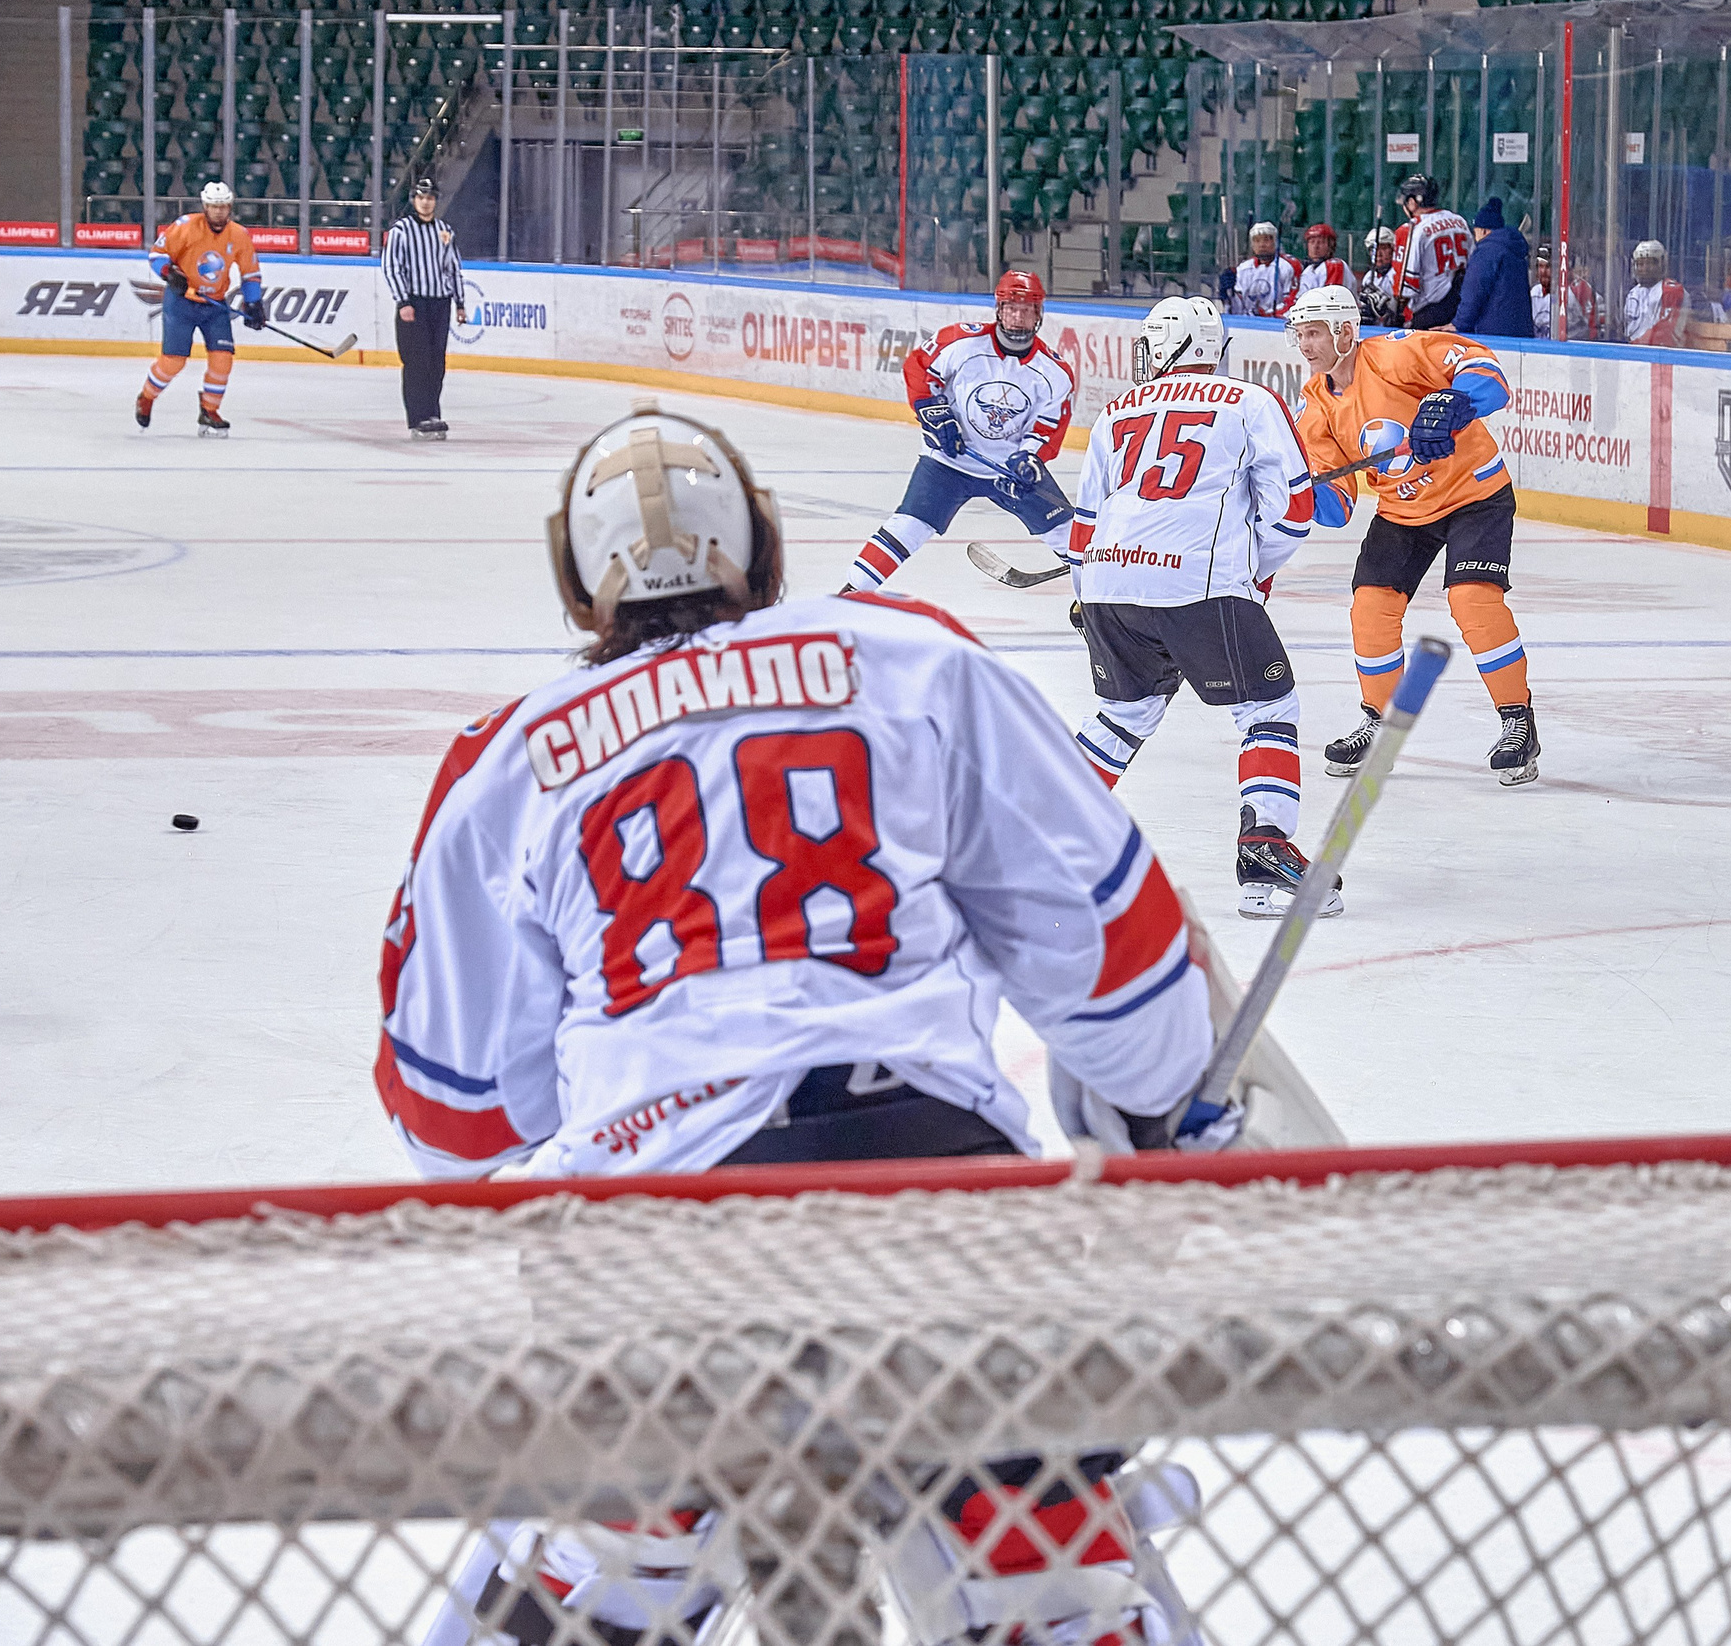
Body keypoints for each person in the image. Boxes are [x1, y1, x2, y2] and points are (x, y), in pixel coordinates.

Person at [384, 397, 1228, 1646]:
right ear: (769, 552)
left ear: (579, 592)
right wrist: (1151, 1109)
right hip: (948, 1235)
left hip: (660, 1271)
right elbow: (1133, 992)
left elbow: (453, 1124)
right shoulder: (914, 657)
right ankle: (1044, 1550)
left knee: (583, 1564)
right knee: (1060, 1576)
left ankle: (627, 1557)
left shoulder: (504, 760)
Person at [1066, 296, 1333, 919]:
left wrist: (1089, 592)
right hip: (1197, 584)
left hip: (1109, 585)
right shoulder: (1251, 402)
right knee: (1268, 707)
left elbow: (1085, 524)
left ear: (1172, 347)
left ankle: (1044, 836)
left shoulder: (1113, 413)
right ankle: (1264, 847)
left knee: (1122, 716)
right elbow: (1292, 514)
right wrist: (1250, 573)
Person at [1285, 285, 1540, 786]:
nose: (1306, 345)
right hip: (1403, 511)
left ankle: (1518, 722)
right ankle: (1378, 724)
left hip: (1474, 494)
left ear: (1344, 331)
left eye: (1314, 333)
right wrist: (1292, 490)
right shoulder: (1316, 404)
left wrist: (1453, 401)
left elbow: (1488, 374)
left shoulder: (1397, 354)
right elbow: (1336, 506)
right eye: (1300, 335)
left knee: (1473, 602)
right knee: (1370, 606)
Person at [843, 269, 1075, 592]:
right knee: (909, 525)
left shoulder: (1055, 373)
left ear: (1039, 314)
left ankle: (1096, 606)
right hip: (949, 462)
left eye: (1027, 310)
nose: (1018, 317)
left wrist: (1030, 459)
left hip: (1009, 471)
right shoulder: (963, 342)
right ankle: (852, 592)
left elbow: (1048, 428)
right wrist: (935, 413)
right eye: (1011, 308)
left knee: (1071, 536)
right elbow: (919, 369)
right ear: (999, 309)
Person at [135, 180, 263, 437]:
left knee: (223, 359)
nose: (218, 212)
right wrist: (168, 272)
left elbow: (250, 273)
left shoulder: (239, 235)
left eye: (223, 207)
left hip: (215, 305)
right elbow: (157, 254)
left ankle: (209, 410)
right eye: (214, 207)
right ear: (205, 206)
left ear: (230, 207)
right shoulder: (185, 226)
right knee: (174, 362)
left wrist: (254, 302)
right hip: (181, 302)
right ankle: (147, 397)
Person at [382, 173, 464, 440]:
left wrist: (460, 302)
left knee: (436, 362)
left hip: (440, 303)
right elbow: (392, 267)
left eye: (430, 198)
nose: (426, 203)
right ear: (413, 200)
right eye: (421, 197)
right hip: (414, 303)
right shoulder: (401, 231)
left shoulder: (445, 231)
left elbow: (453, 268)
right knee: (416, 361)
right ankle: (418, 418)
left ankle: (433, 413)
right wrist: (403, 300)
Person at [1390, 174, 1471, 330]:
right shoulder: (1459, 221)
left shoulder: (1414, 228)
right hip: (1458, 309)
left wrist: (1393, 309)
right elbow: (1473, 266)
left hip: (1429, 312)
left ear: (1412, 202)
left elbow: (1407, 286)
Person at [1451, 196, 1534, 338]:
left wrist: (1458, 324)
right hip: (1520, 332)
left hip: (1491, 333)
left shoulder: (1487, 251)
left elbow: (1474, 290)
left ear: (1483, 231)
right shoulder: (1515, 250)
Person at [1223, 220, 1300, 318]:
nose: (1262, 245)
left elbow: (1292, 303)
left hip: (1276, 324)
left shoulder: (1286, 267)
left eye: (1266, 240)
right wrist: (1229, 295)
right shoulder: (1243, 268)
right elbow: (1238, 309)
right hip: (1248, 324)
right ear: (1252, 245)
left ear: (1275, 242)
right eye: (1257, 240)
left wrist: (1266, 314)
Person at [1623, 239, 1689, 346]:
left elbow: (1664, 333)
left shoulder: (1672, 290)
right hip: (1635, 353)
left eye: (1650, 263)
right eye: (1640, 264)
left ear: (1662, 264)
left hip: (1663, 355)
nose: (1644, 269)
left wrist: (1632, 346)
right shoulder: (1633, 293)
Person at [1531, 247, 1601, 341]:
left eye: (1548, 267)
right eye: (1540, 266)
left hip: (1574, 346)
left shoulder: (1579, 290)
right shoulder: (1534, 293)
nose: (1543, 272)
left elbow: (1595, 326)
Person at [1294, 222, 1352, 308]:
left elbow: (1331, 304)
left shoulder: (1335, 265)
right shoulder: (1309, 269)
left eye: (1321, 242)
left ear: (1331, 246)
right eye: (1312, 242)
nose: (1315, 246)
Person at [1357, 225, 1401, 326]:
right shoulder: (1368, 277)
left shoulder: (1399, 274)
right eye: (1374, 249)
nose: (1378, 254)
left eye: (1384, 248)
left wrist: (1388, 307)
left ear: (1393, 250)